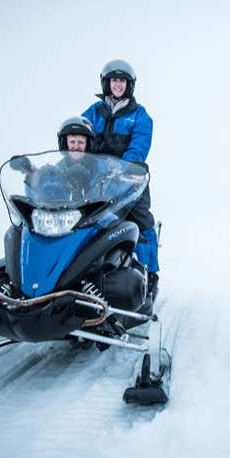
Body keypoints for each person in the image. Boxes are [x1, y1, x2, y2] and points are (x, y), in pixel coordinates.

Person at [82, 60, 159, 300]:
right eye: (114, 80)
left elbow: (138, 147)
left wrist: (121, 167)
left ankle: (150, 274)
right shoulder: (93, 112)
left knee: (142, 222)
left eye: (122, 81)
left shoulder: (139, 116)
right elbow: (78, 138)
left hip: (130, 180)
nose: (118, 85)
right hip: (96, 182)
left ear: (129, 85)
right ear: (106, 83)